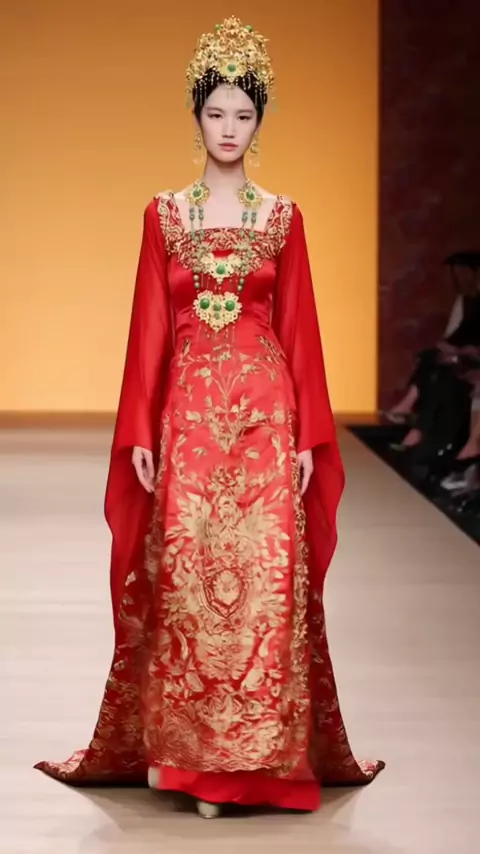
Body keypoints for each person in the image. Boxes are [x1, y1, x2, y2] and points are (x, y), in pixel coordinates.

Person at [35, 17, 383, 818]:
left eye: (244, 115)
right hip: (188, 418)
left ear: (260, 123)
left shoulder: (283, 217)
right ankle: (189, 761)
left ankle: (263, 760)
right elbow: (148, 328)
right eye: (217, 112)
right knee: (190, 582)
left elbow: (301, 328)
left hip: (266, 417)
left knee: (264, 581)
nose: (229, 128)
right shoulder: (164, 215)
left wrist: (310, 435)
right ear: (196, 116)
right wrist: (138, 430)